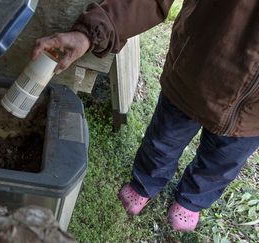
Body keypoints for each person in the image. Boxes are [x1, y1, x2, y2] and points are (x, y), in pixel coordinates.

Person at [32, 0, 259, 232]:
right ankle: (145, 183)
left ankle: (191, 201)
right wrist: (92, 32)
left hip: (253, 117)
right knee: (163, 140)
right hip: (195, 72)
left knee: (222, 163)